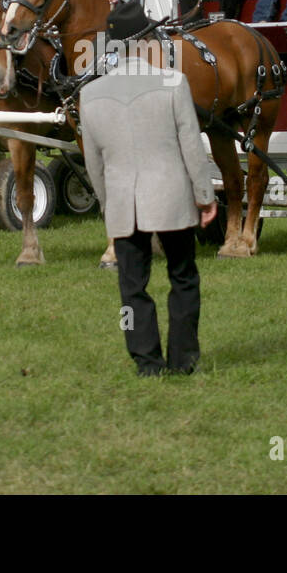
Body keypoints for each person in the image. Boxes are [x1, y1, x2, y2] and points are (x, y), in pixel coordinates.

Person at [80, 56, 218, 378]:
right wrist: (205, 195)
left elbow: (93, 162)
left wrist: (106, 203)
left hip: (123, 202)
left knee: (131, 289)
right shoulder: (173, 82)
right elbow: (191, 146)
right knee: (183, 278)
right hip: (172, 198)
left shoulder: (90, 93)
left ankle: (145, 361)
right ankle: (183, 359)